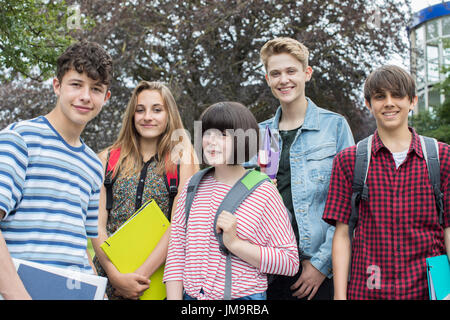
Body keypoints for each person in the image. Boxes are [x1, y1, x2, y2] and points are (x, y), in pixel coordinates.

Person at [322, 65, 450, 300]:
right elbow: (341, 235)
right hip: (368, 290)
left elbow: (448, 229)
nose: (389, 103)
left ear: (412, 101)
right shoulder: (349, 161)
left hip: (430, 290)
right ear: (369, 104)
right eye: (380, 96)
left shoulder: (442, 157)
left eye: (397, 95)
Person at [0, 40, 113, 299]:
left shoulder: (94, 165)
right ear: (57, 86)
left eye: (96, 89)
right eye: (76, 84)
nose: (86, 96)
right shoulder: (19, 140)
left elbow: (79, 246)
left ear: (105, 98)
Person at [248, 37, 354, 300]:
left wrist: (321, 264)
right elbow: (245, 203)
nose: (284, 79)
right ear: (267, 79)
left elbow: (351, 203)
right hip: (269, 271)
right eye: (275, 73)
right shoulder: (259, 135)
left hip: (322, 273)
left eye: (291, 71)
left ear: (307, 73)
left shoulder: (335, 127)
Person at [164, 101, 299, 300]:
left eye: (223, 135)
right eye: (207, 133)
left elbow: (289, 262)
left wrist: (235, 244)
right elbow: (176, 254)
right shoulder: (192, 186)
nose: (211, 141)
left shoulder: (263, 191)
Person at [91, 80, 198, 300]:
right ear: (132, 115)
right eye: (140, 110)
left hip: (158, 282)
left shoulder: (182, 159)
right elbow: (96, 224)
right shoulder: (107, 159)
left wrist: (139, 277)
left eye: (157, 110)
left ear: (169, 114)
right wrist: (115, 276)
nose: (147, 116)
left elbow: (179, 225)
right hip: (108, 280)